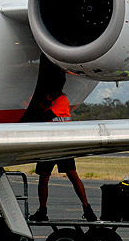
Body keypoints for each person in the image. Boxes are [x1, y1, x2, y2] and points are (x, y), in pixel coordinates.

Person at [28, 92, 96, 223]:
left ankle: (87, 209)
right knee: (43, 176)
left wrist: (42, 106)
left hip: (62, 143)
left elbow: (45, 116)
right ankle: (42, 210)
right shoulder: (47, 98)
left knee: (72, 175)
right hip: (48, 143)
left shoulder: (62, 99)